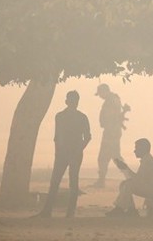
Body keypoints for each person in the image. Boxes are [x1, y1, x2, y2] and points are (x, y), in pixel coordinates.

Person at [37, 90, 91, 218]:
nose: (73, 103)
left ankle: (60, 211)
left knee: (65, 182)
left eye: (75, 101)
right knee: (62, 181)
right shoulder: (64, 116)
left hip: (70, 153)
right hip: (65, 153)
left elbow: (87, 137)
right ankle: (53, 211)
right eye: (72, 101)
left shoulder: (67, 116)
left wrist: (78, 150)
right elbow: (58, 137)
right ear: (67, 101)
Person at [106, 138, 153, 217]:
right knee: (125, 184)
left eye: (136, 148)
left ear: (143, 149)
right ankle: (131, 209)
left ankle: (119, 208)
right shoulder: (147, 160)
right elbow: (138, 180)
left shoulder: (148, 161)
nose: (134, 151)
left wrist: (126, 169)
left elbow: (138, 180)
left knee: (128, 185)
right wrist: (125, 169)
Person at [92, 83, 129, 188]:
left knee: (108, 157)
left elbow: (111, 117)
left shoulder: (111, 101)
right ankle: (102, 180)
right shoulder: (113, 100)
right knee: (110, 157)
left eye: (100, 93)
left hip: (111, 133)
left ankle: (102, 181)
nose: (99, 96)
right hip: (112, 132)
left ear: (105, 91)